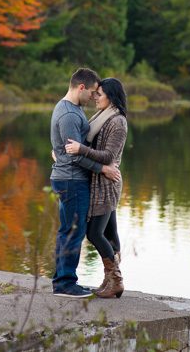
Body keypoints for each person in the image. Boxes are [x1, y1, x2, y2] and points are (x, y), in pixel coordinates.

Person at [50, 68, 121, 298]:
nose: (93, 97)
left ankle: (64, 280)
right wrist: (103, 169)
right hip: (72, 180)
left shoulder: (73, 109)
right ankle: (65, 284)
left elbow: (67, 149)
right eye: (91, 92)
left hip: (71, 177)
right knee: (73, 232)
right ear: (81, 87)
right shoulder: (69, 114)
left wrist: (60, 154)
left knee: (69, 230)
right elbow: (75, 155)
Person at [65, 77, 128, 299]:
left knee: (94, 233)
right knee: (110, 233)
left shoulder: (117, 122)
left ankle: (116, 279)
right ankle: (110, 280)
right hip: (100, 181)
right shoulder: (103, 117)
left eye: (99, 94)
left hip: (107, 184)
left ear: (111, 97)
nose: (95, 98)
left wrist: (81, 149)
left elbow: (109, 156)